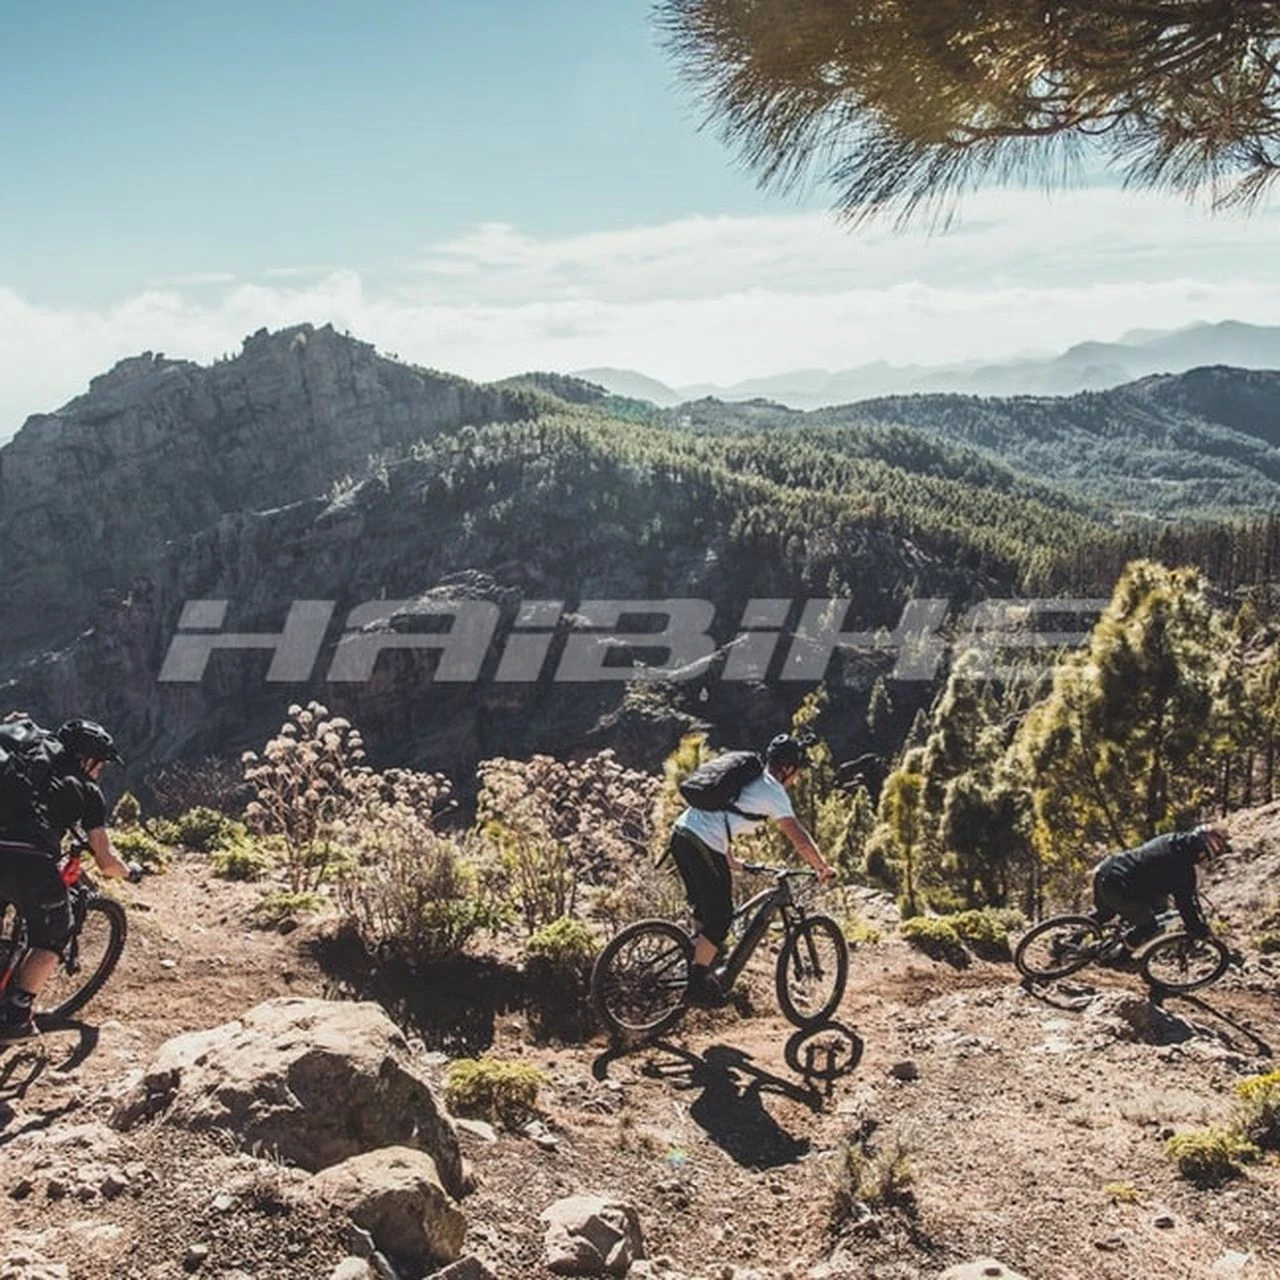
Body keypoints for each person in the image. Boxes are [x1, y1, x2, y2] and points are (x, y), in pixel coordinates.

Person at [668, 733, 836, 1006]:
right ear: (787, 768)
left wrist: (730, 859)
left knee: (706, 912)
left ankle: (699, 966)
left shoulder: (750, 781)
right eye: (797, 772)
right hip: (701, 841)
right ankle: (697, 986)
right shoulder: (773, 791)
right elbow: (799, 838)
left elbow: (722, 815)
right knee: (721, 918)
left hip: (681, 835)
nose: (797, 779)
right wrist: (822, 866)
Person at [0, 718, 130, 1041]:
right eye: (100, 764)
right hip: (27, 861)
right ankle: (16, 1017)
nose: (100, 772)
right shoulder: (87, 789)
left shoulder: (24, 765)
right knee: (54, 934)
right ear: (88, 759)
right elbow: (106, 862)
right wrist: (129, 871)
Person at [1090, 822, 1229, 962]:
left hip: (1106, 870)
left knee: (1106, 914)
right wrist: (1200, 931)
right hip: (1118, 887)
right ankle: (1120, 959)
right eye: (1205, 856)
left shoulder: (1171, 839)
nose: (1203, 860)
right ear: (1201, 851)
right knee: (1149, 926)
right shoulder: (1184, 871)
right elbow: (1186, 907)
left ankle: (1078, 937)